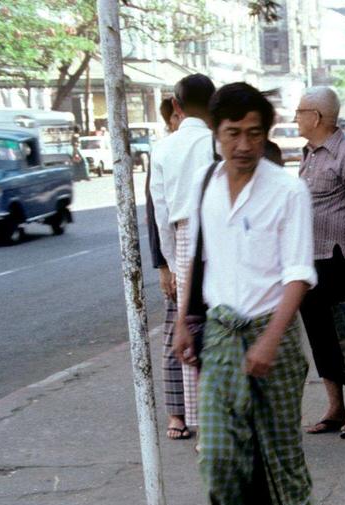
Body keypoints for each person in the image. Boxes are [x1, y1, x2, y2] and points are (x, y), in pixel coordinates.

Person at [172, 82, 316, 505]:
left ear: (266, 133)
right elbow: (197, 256)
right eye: (233, 133)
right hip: (220, 335)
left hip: (270, 336)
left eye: (254, 133)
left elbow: (299, 274)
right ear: (216, 134)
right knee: (215, 453)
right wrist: (184, 320)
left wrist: (271, 341)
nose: (243, 145)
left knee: (278, 454)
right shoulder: (207, 181)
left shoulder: (288, 191)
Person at [294, 86, 345, 441]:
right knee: (320, 336)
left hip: (342, 260)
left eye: (299, 112)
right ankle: (334, 408)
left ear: (316, 117)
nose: (295, 118)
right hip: (310, 262)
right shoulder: (309, 155)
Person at [150, 73, 215, 442]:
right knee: (218, 324)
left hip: (182, 236)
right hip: (216, 234)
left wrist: (171, 264)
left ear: (176, 105)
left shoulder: (164, 148)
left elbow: (161, 211)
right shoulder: (215, 142)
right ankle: (219, 421)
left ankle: (195, 421)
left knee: (185, 327)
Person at [147, 96, 185, 440]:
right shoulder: (163, 151)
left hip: (192, 260)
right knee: (175, 337)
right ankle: (177, 414)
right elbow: (156, 215)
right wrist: (163, 266)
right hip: (174, 259)